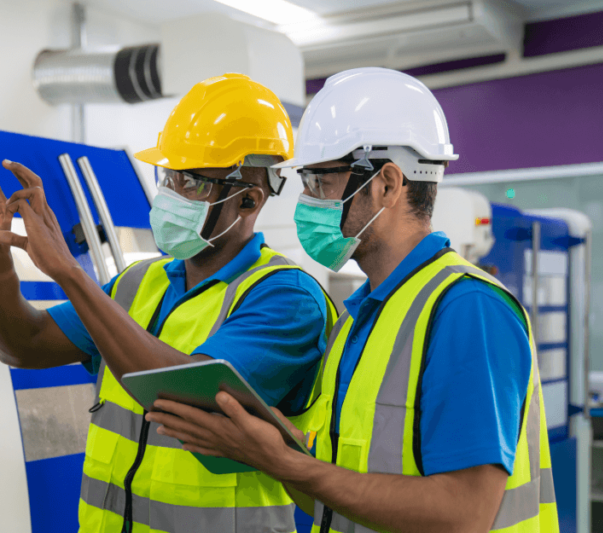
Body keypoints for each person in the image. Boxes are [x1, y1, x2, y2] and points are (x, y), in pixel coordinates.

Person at [147, 67, 559, 533]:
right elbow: (329, 491)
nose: (306, 201)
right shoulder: (358, 320)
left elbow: (462, 514)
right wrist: (271, 446)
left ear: (386, 183)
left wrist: (287, 463)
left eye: (319, 182)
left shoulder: (467, 309)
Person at [0, 73, 336, 533]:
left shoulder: (286, 298)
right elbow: (23, 345)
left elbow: (185, 395)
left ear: (249, 199)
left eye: (191, 183)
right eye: (168, 176)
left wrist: (70, 273)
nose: (171, 194)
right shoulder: (138, 283)